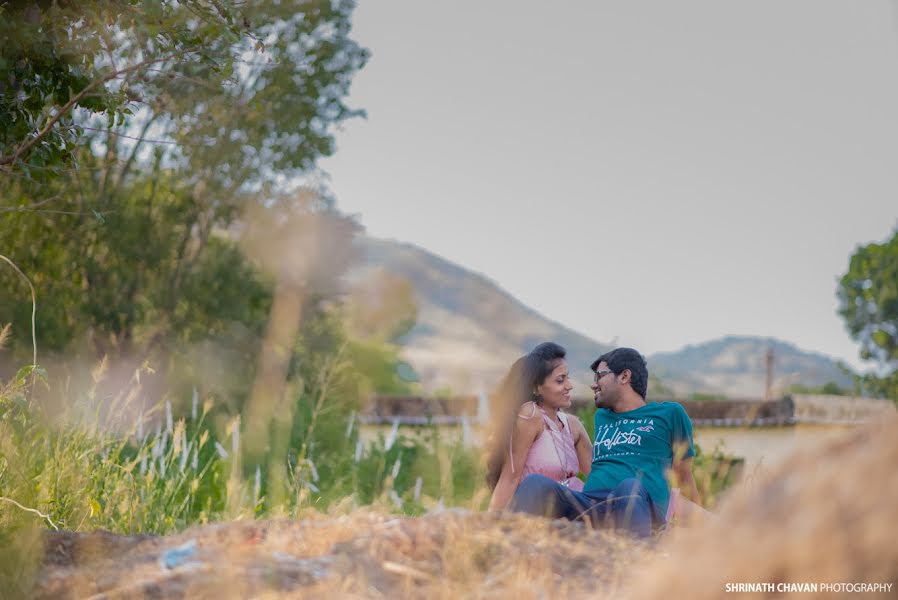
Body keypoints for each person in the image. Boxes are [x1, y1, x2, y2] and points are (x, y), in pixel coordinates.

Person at [508, 347, 701, 538]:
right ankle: (506, 551)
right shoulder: (602, 416)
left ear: (625, 376)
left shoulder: (669, 413)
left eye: (600, 376)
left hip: (637, 504)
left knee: (629, 487)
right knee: (535, 484)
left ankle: (637, 560)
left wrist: (697, 528)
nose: (594, 385)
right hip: (591, 505)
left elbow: (684, 475)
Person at [486, 342, 593, 511]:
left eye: (568, 377)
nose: (569, 386)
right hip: (540, 507)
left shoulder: (574, 425)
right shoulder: (530, 415)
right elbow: (510, 477)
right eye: (560, 380)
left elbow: (597, 476)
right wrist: (491, 522)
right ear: (536, 387)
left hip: (574, 507)